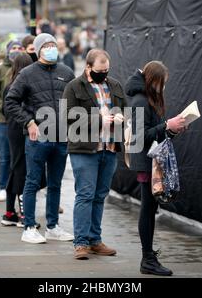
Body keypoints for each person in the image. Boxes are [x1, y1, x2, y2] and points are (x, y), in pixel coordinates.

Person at [5, 33, 75, 244]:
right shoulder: (26, 74)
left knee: (55, 183)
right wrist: (29, 122)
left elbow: (77, 102)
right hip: (38, 138)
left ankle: (52, 226)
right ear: (37, 49)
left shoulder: (66, 72)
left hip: (61, 137)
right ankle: (29, 227)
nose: (51, 48)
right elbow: (11, 102)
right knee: (32, 181)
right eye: (46, 45)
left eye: (53, 44)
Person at [63, 49, 125, 260]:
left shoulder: (115, 85)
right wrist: (100, 119)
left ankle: (95, 240)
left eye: (106, 70)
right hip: (85, 149)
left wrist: (121, 119)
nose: (104, 74)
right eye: (100, 70)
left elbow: (124, 110)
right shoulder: (74, 86)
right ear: (88, 67)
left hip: (110, 148)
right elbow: (68, 118)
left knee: (100, 196)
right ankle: (80, 243)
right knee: (85, 194)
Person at [125, 61, 186, 277]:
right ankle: (147, 258)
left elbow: (155, 132)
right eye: (162, 83)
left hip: (151, 160)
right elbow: (141, 137)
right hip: (146, 161)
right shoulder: (141, 101)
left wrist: (172, 129)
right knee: (148, 209)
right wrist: (167, 126)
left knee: (150, 209)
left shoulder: (147, 98)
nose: (163, 88)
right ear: (153, 80)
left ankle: (148, 257)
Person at [0, 40, 24, 202]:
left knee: (20, 156)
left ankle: (20, 188)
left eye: (19, 48)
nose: (16, 51)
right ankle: (3, 187)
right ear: (8, 51)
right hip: (3, 119)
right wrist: (1, 106)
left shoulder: (26, 68)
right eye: (13, 48)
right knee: (4, 155)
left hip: (21, 119)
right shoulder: (0, 69)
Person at [1, 53, 34, 227]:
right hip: (23, 130)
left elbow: (3, 108)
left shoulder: (9, 86)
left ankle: (9, 212)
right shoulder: (24, 86)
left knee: (15, 168)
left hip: (12, 130)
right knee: (22, 170)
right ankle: (23, 214)